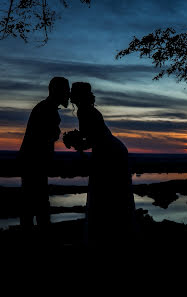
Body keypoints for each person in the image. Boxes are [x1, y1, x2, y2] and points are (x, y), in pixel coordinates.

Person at [63, 82, 137, 249]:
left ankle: (106, 238)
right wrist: (79, 142)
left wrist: (77, 143)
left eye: (72, 92)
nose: (69, 95)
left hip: (110, 154)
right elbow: (93, 138)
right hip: (110, 152)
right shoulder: (87, 110)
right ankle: (112, 235)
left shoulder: (84, 111)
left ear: (78, 95)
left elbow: (93, 139)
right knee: (109, 193)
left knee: (105, 191)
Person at [18, 77, 70, 234]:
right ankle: (41, 237)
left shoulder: (46, 107)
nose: (68, 94)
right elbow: (45, 137)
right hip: (34, 162)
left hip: (34, 161)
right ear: (57, 91)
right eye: (66, 90)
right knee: (37, 202)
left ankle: (37, 234)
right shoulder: (46, 109)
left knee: (34, 201)